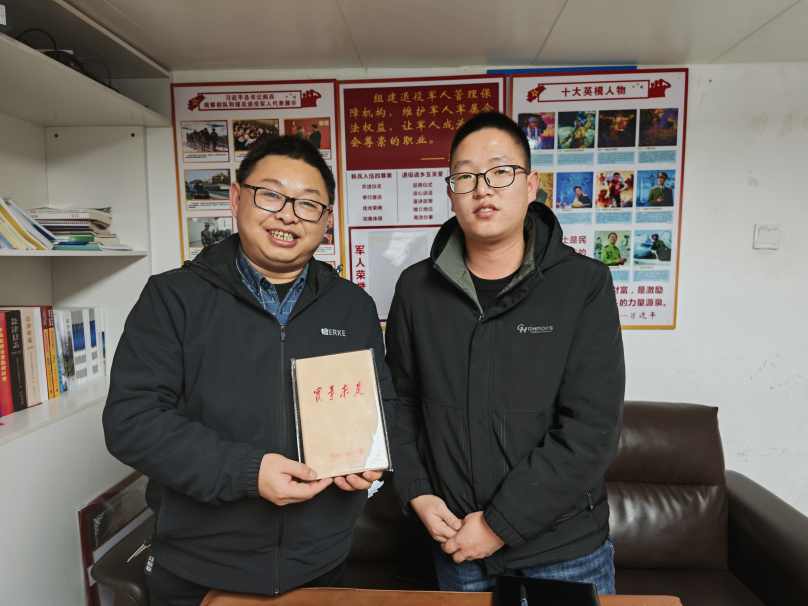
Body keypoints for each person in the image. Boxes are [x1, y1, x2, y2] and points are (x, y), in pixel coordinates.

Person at [103, 135, 395, 605]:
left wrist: (372, 456)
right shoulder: (173, 298)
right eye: (271, 195)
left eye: (308, 204)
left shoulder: (353, 307)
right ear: (237, 198)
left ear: (326, 220)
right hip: (198, 570)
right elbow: (132, 422)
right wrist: (249, 472)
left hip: (320, 566)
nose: (288, 215)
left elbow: (382, 405)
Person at [386, 111, 624, 594]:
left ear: (531, 185)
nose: (482, 189)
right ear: (451, 192)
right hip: (457, 544)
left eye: (500, 172)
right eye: (466, 176)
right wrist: (417, 492)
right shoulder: (416, 289)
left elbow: (590, 430)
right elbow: (401, 405)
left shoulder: (583, 284)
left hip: (564, 552)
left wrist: (497, 526)